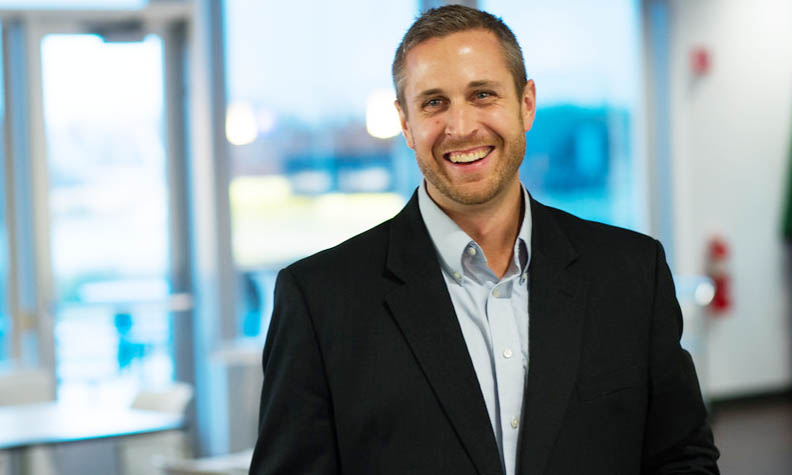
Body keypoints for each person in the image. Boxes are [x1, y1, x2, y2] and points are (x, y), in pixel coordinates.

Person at [249, 5, 719, 475]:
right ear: (406, 123)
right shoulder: (319, 300)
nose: (461, 127)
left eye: (483, 94)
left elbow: (681, 459)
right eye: (434, 102)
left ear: (526, 103)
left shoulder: (631, 271)